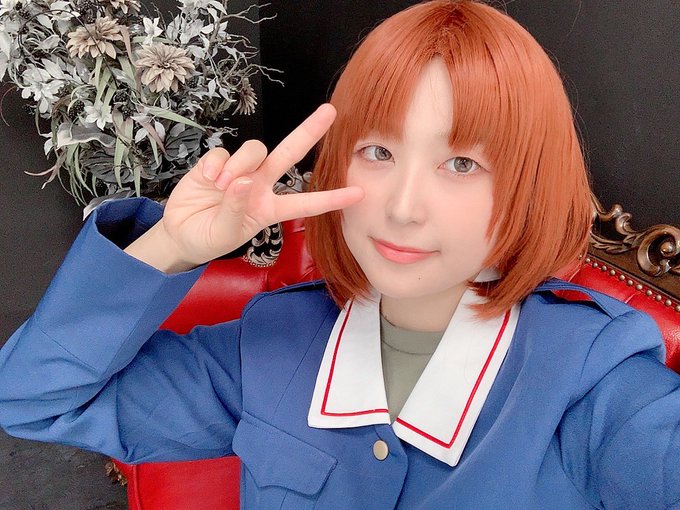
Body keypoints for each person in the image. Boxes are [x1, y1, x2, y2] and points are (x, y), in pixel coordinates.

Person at [1, 1, 679, 508]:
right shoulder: (274, 342)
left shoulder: (594, 373)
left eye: (461, 163)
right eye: (378, 151)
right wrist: (173, 245)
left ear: (526, 188)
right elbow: (31, 399)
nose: (403, 207)